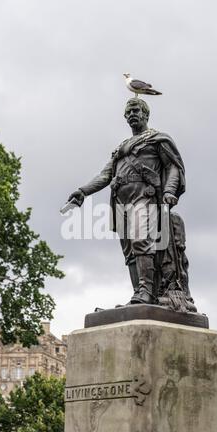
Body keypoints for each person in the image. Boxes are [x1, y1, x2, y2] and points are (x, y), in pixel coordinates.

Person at [67, 98, 185, 305]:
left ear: (146, 114)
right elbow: (105, 175)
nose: (132, 114)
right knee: (130, 252)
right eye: (128, 112)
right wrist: (83, 191)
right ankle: (138, 294)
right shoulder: (121, 148)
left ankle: (147, 291)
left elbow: (173, 167)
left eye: (136, 110)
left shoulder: (157, 139)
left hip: (145, 196)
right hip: (121, 202)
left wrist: (169, 191)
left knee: (141, 240)